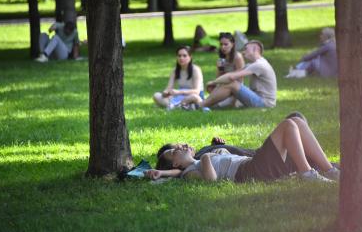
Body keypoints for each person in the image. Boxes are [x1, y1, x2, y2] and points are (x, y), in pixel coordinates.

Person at [145, 114, 340, 183]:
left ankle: (330, 171)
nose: (178, 147)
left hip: (253, 165)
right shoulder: (189, 171)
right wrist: (163, 173)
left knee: (296, 120)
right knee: (289, 124)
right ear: (176, 163)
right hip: (250, 171)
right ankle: (308, 175)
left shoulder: (198, 159)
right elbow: (211, 181)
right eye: (174, 151)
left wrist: (218, 149)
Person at [183, 40, 277, 110]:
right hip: (258, 99)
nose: (243, 52)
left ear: (256, 49)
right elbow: (232, 74)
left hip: (265, 104)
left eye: (246, 49)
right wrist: (217, 83)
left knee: (233, 84)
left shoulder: (259, 65)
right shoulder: (253, 64)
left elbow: (232, 77)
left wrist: (214, 82)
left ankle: (200, 105)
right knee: (230, 85)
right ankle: (205, 105)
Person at [153, 46, 204, 110]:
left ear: (190, 57)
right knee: (156, 95)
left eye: (184, 56)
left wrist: (179, 92)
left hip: (194, 97)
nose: (181, 58)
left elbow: (197, 91)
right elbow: (169, 88)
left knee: (194, 97)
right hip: (179, 97)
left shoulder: (196, 70)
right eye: (179, 56)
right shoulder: (175, 70)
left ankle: (174, 106)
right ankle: (178, 106)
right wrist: (165, 93)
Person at [208, 32, 245, 108]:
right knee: (209, 86)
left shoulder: (237, 57)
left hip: (235, 87)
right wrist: (220, 69)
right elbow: (218, 78)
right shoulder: (222, 58)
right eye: (221, 44)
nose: (223, 47)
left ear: (232, 44)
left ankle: (232, 100)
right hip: (224, 85)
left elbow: (240, 78)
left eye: (226, 44)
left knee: (216, 105)